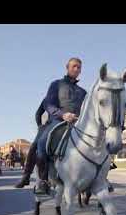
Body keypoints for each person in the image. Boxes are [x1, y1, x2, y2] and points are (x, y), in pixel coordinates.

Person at [35, 57, 87, 194]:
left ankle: (102, 175)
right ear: (67, 67)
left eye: (79, 67)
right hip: (58, 122)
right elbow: (48, 104)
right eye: (74, 66)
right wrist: (63, 115)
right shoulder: (56, 84)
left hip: (78, 124)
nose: (77, 69)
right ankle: (43, 180)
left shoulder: (83, 92)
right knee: (41, 143)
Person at [15, 98, 48, 188]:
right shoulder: (52, 94)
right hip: (52, 125)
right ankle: (27, 175)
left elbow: (38, 113)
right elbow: (38, 113)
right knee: (34, 146)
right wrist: (40, 126)